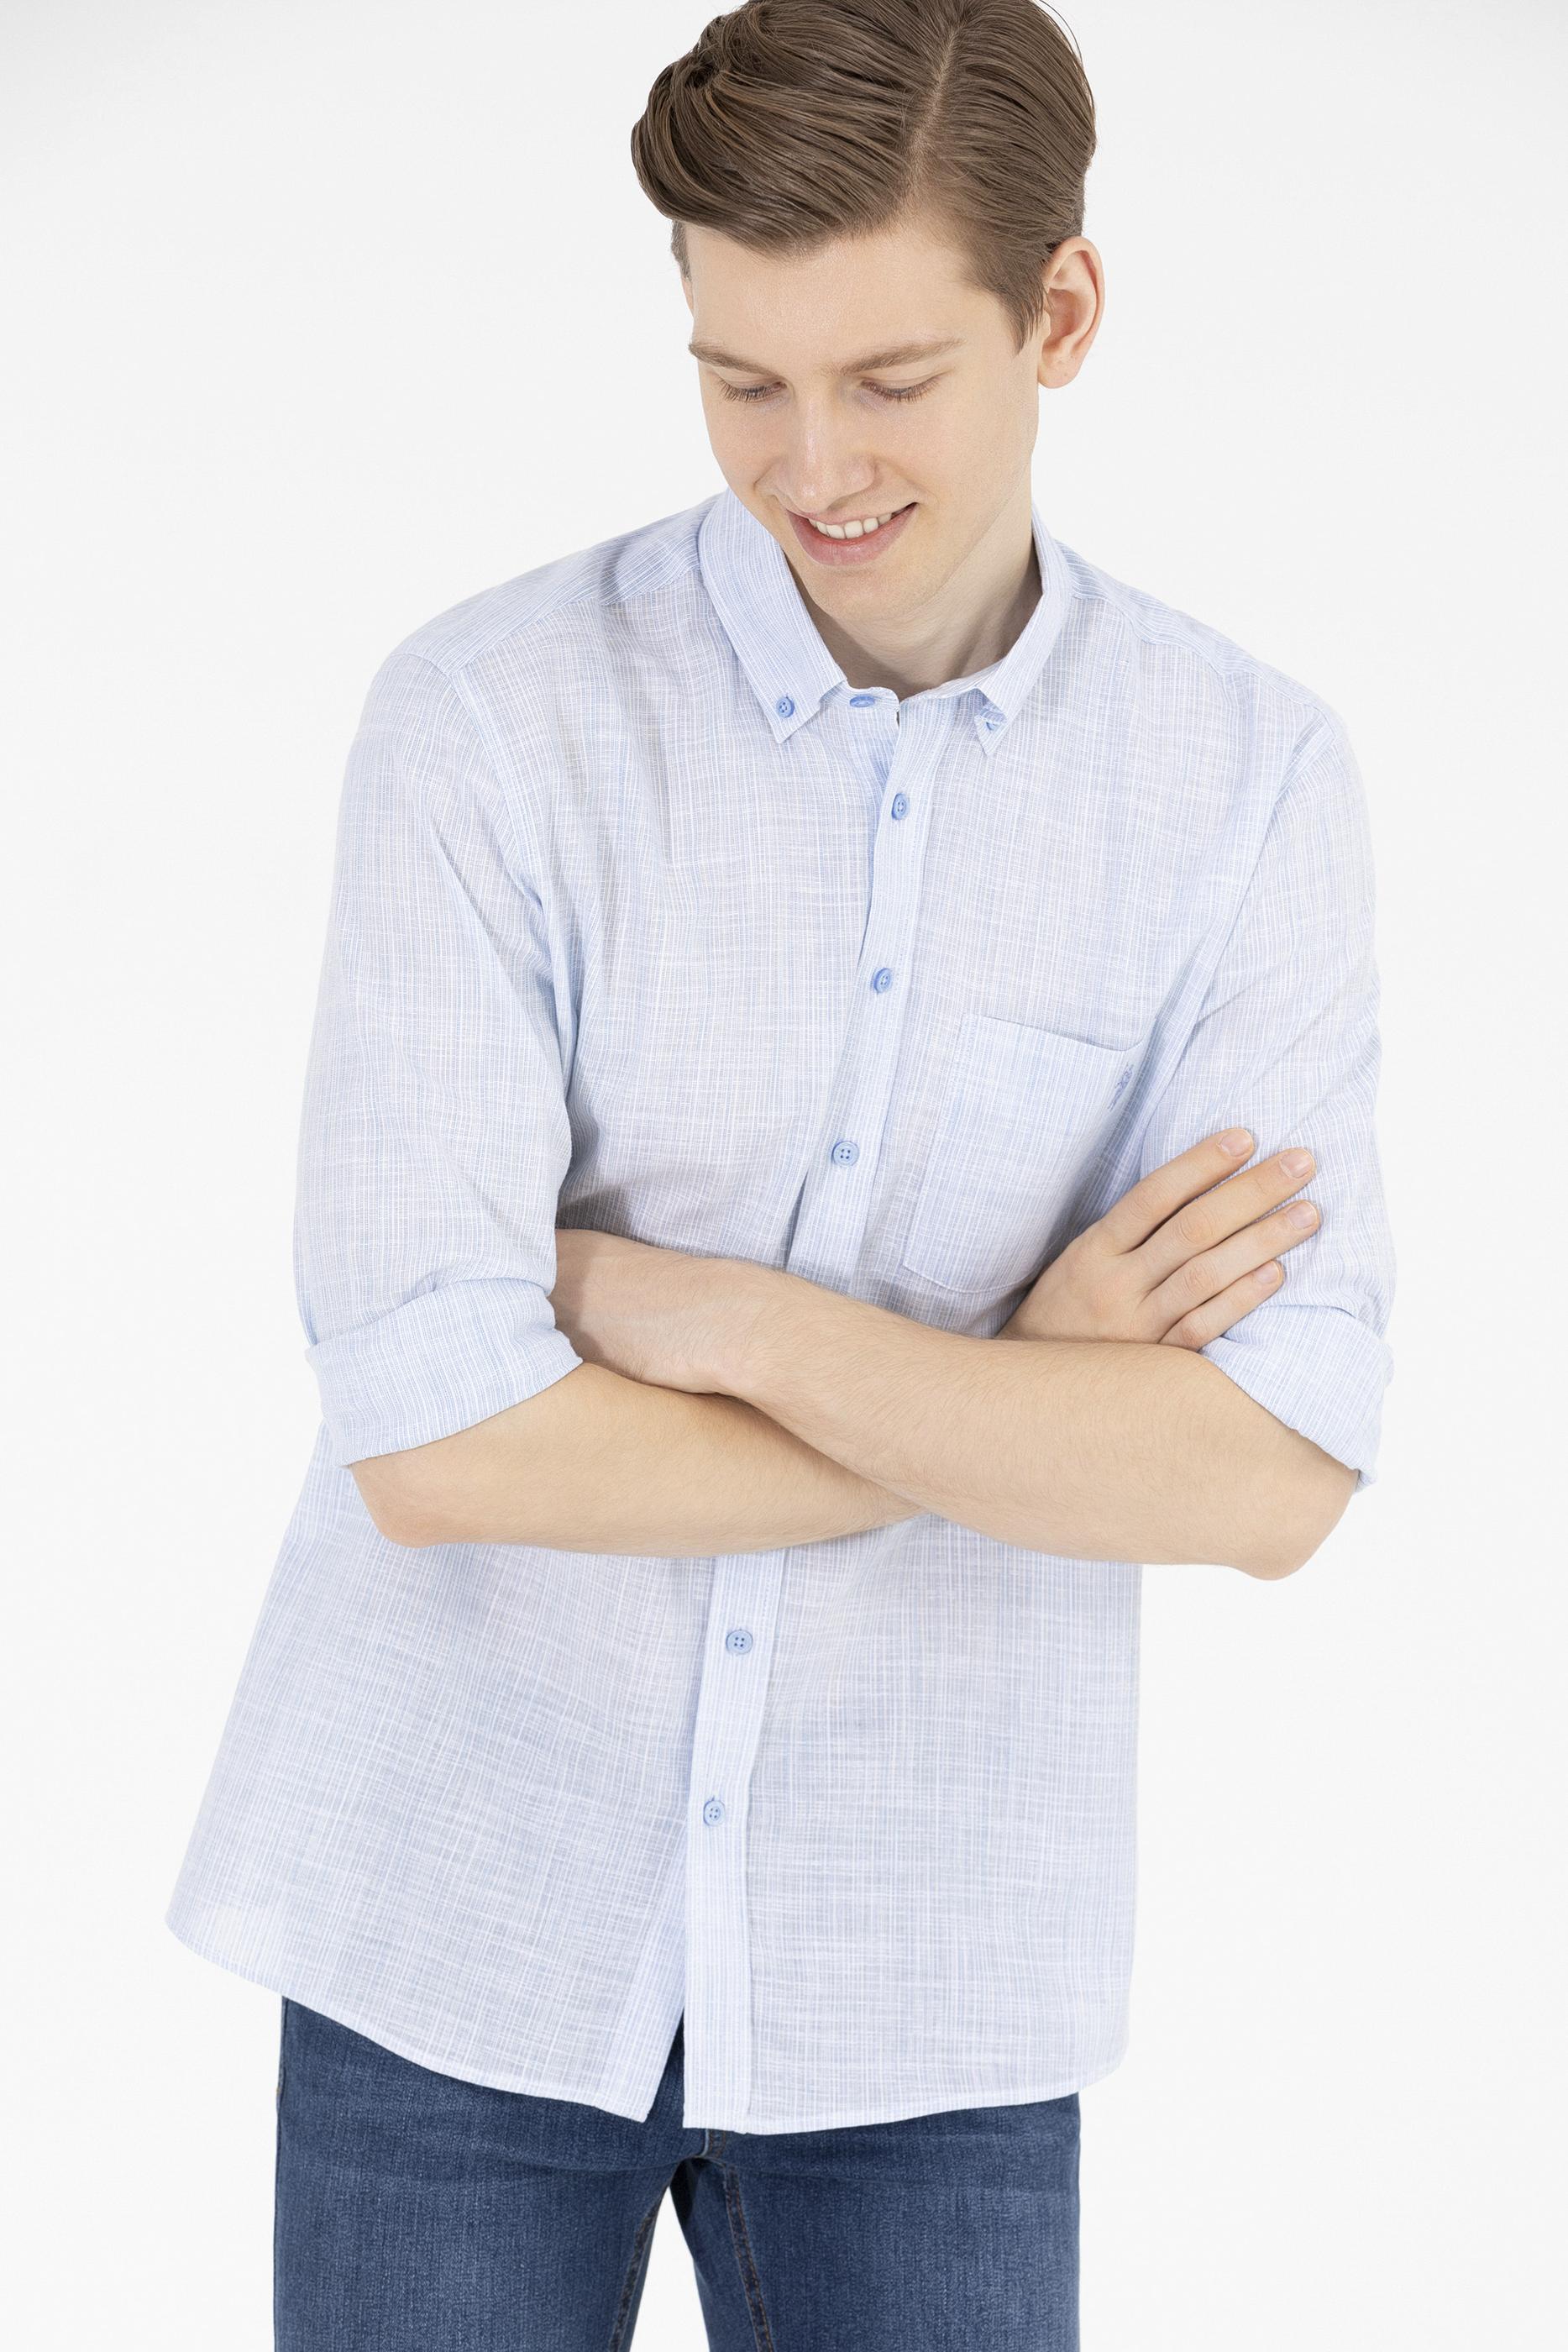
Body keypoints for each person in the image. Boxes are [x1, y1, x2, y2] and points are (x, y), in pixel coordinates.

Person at [165, 3, 1396, 2344]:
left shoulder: (1243, 787)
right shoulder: (489, 721)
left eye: (887, 380)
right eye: (741, 381)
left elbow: (1264, 1474)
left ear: (1059, 313)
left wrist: (702, 1316)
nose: (808, 464)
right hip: (455, 1928)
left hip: (927, 1980)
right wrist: (1017, 1391)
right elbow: (440, 1440)